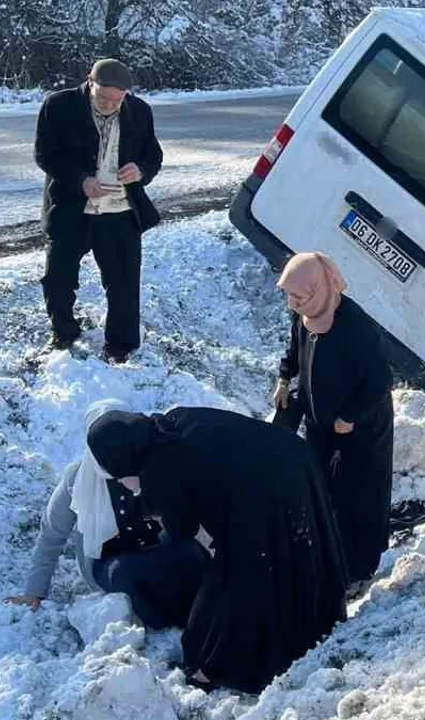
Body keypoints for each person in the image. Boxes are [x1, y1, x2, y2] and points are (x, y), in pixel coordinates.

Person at [87, 406, 349, 693]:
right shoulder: (170, 423)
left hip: (269, 488)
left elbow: (184, 531)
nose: (120, 481)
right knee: (294, 551)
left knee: (248, 569)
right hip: (293, 458)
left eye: (117, 473)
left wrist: (145, 497)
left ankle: (217, 664)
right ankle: (317, 616)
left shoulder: (160, 470)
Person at [6, 400, 208, 629]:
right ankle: (165, 627)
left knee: (191, 554)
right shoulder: (77, 478)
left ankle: (203, 616)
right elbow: (52, 534)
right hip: (108, 559)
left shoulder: (148, 463)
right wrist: (34, 592)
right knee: (127, 573)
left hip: (154, 544)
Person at [271, 253, 395, 588]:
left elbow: (380, 380)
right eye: (290, 296)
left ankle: (360, 570)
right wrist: (285, 379)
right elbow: (294, 349)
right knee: (322, 489)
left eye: (300, 296)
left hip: (361, 427)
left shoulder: (354, 326)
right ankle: (328, 559)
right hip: (322, 420)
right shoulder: (307, 314)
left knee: (358, 496)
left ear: (319, 289)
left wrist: (350, 417)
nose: (294, 304)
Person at [35, 58, 164, 364]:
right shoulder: (59, 106)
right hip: (70, 209)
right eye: (102, 98)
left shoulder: (140, 111)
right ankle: (64, 333)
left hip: (119, 211)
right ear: (89, 82)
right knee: (58, 279)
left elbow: (153, 155)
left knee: (124, 282)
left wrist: (141, 170)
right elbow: (44, 155)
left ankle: (121, 346)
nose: (109, 105)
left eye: (116, 100)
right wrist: (80, 181)